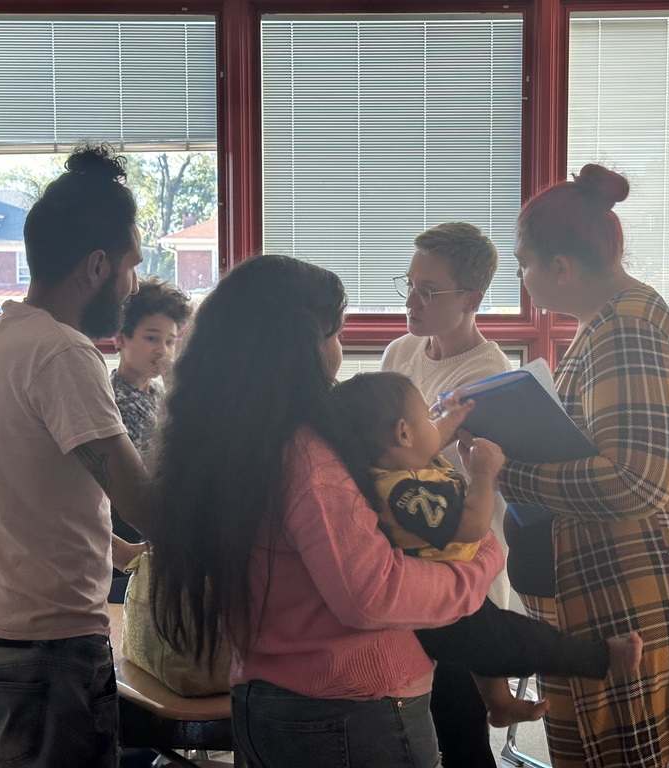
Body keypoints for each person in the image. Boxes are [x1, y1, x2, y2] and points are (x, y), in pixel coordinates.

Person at [148, 254, 504, 768]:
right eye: (335, 335)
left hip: (268, 695)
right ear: (299, 349)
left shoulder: (229, 440)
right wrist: (481, 558)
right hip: (347, 711)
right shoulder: (306, 454)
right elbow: (373, 595)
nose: (340, 351)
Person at [499, 162, 669, 768]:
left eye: (523, 263)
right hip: (618, 582)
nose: (521, 278)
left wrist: (507, 472)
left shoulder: (626, 331)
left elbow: (635, 483)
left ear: (560, 267)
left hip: (639, 586)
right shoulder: (610, 323)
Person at [0, 142, 150, 768]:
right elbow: (142, 502)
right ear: (96, 266)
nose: (134, 284)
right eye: (131, 266)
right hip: (44, 661)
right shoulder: (63, 352)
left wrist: (124, 552)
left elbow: (32, 503)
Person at [331, 371, 643, 726]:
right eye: (427, 420)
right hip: (437, 613)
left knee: (485, 649)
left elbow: (430, 439)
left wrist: (452, 417)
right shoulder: (404, 493)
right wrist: (484, 476)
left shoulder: (401, 460)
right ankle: (600, 658)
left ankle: (500, 704)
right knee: (517, 641)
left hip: (448, 592)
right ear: (404, 433)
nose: (436, 427)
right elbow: (472, 528)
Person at [380, 221, 516, 767]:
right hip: (408, 561)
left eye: (428, 291)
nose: (411, 302)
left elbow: (451, 478)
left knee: (458, 728)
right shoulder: (400, 352)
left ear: (472, 299)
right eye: (409, 285)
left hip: (459, 562)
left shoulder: (488, 376)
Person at [110, 277, 192, 545]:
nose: (162, 351)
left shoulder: (159, 393)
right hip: (130, 529)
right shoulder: (113, 399)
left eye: (170, 342)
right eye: (151, 338)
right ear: (120, 339)